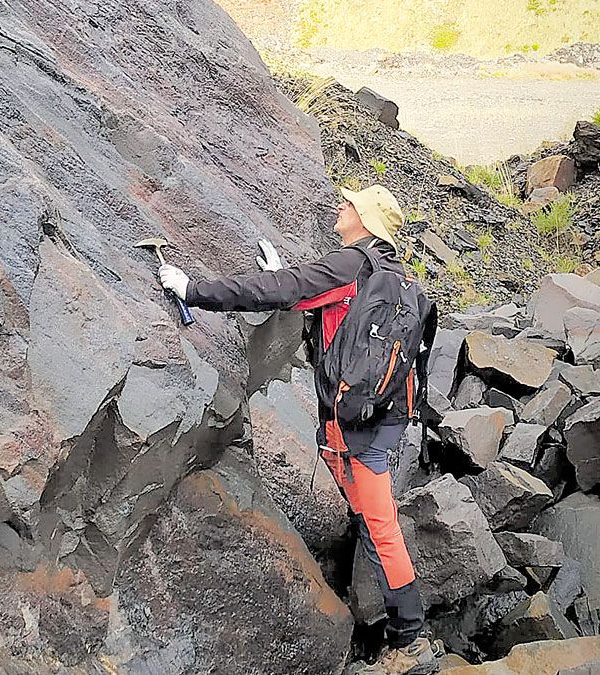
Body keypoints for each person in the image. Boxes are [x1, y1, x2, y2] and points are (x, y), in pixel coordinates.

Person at [159, 185, 443, 675]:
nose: (341, 207)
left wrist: (193, 290)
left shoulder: (351, 265)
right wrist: (283, 276)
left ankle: (409, 634)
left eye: (350, 204)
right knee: (367, 511)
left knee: (380, 522)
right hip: (386, 417)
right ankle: (375, 576)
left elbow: (283, 293)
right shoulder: (393, 277)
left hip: (358, 424)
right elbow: (325, 305)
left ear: (366, 219)